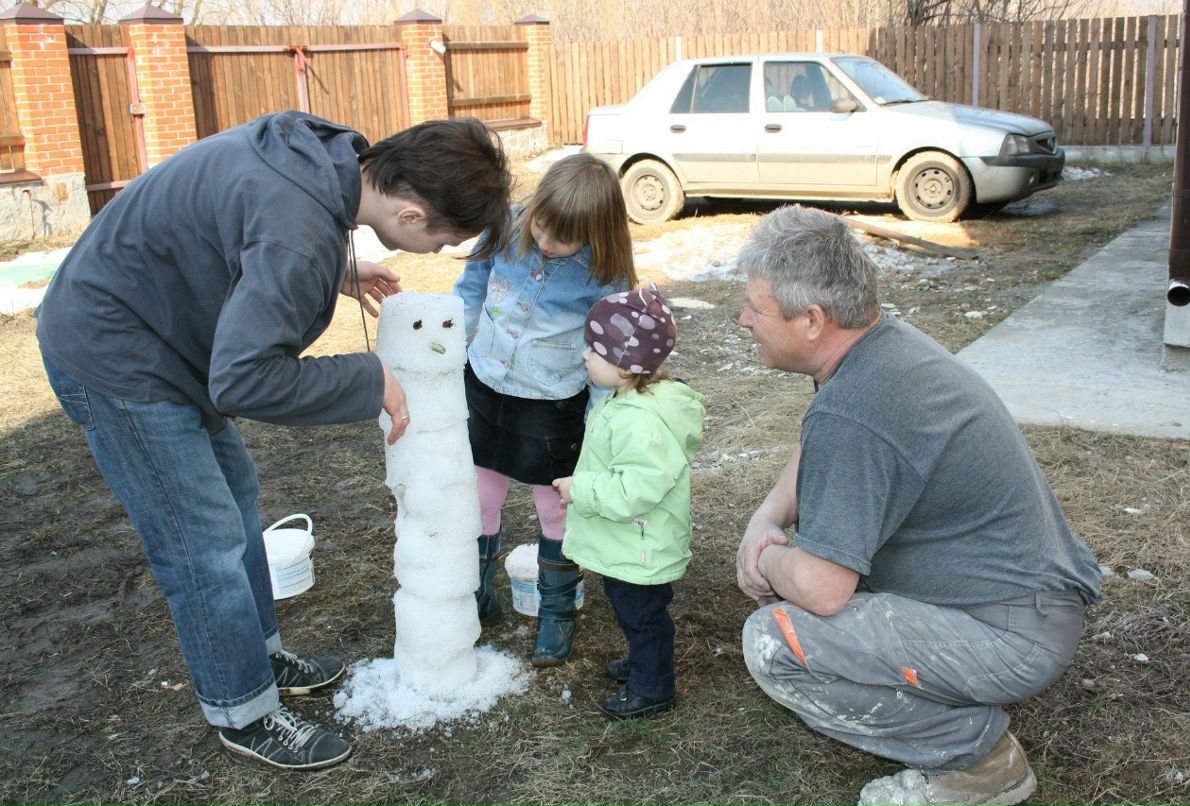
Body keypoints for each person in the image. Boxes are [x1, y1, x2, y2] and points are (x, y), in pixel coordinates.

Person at [35, 110, 512, 771]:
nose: (438, 253)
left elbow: (253, 235)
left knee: (237, 497)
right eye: (447, 240)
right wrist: (364, 374)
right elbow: (245, 381)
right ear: (408, 212)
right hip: (118, 357)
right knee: (202, 544)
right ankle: (244, 710)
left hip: (158, 330)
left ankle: (255, 652)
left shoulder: (324, 158)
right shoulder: (299, 237)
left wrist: (336, 270)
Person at [733, 205, 1102, 806]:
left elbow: (824, 589)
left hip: (1009, 636)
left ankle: (978, 759)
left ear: (811, 321)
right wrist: (767, 518)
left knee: (775, 642)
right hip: (1024, 603)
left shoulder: (859, 405)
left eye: (756, 307)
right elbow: (817, 446)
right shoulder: (877, 349)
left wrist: (767, 561)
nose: (744, 320)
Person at [454, 153, 637, 667]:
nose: (545, 241)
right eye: (541, 224)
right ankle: (477, 591)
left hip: (551, 404)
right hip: (485, 387)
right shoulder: (506, 227)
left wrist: (599, 419)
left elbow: (609, 352)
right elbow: (471, 288)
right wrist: (451, 342)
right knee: (477, 494)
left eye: (563, 237)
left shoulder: (606, 273)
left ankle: (556, 611)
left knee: (555, 504)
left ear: (596, 232)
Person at [553, 286, 704, 719]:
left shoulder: (639, 420)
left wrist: (580, 489)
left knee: (643, 617)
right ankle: (644, 665)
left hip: (640, 545)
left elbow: (633, 490)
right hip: (633, 542)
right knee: (634, 612)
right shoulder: (629, 399)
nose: (585, 356)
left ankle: (653, 686)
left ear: (623, 365)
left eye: (594, 350)